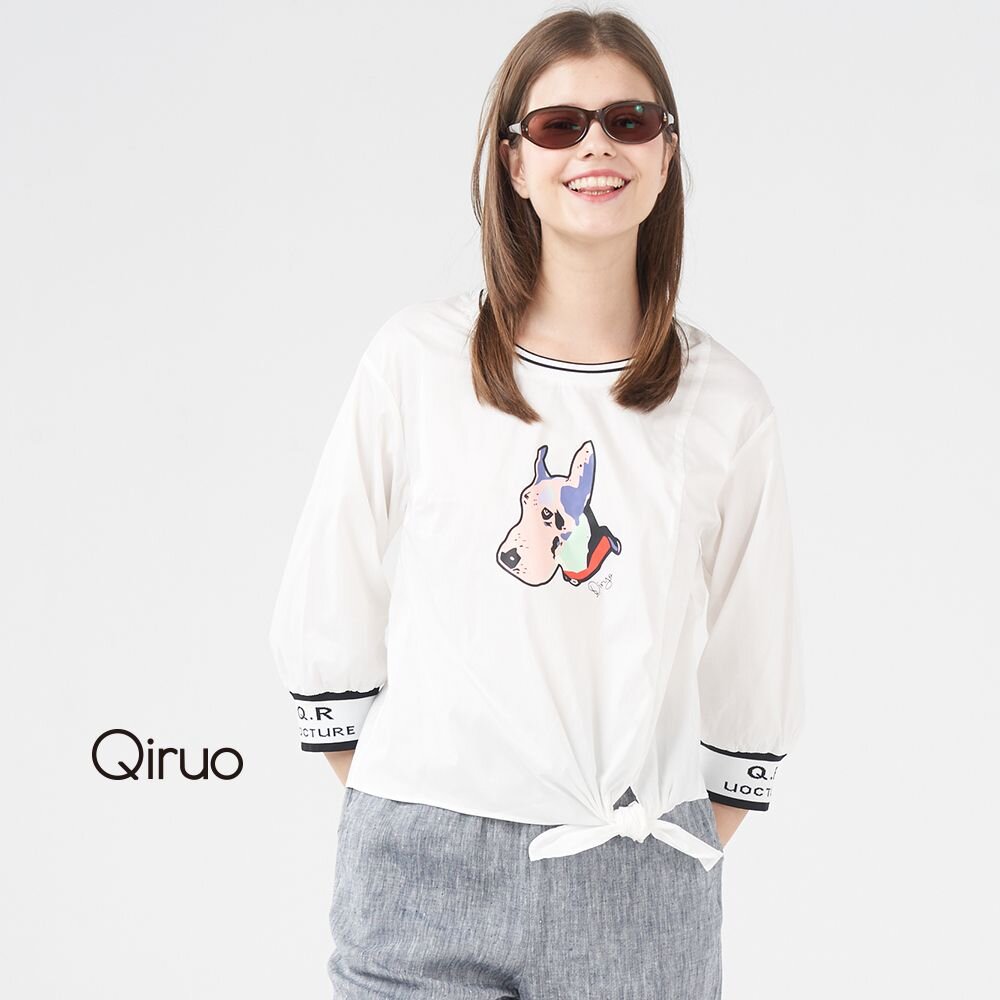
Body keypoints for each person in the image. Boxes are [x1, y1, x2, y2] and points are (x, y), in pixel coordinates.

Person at [268, 7, 805, 999]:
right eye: (560, 125)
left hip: (637, 874)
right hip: (420, 872)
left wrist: (659, 844)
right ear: (514, 162)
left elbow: (753, 654)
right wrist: (422, 794)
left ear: (666, 153)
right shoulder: (416, 361)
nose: (596, 146)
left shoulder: (724, 402)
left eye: (628, 121)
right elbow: (327, 590)